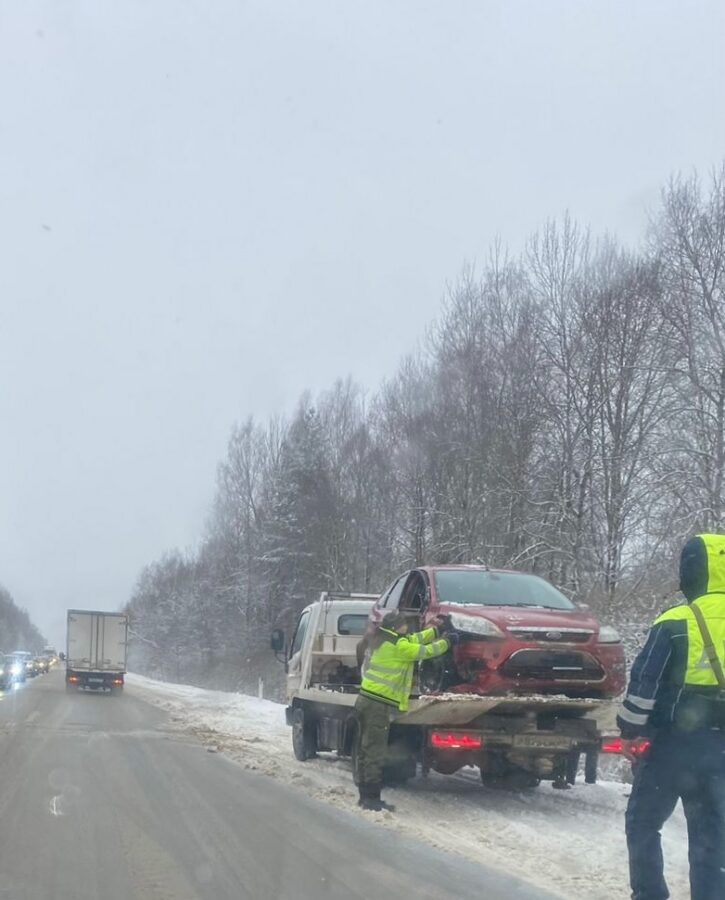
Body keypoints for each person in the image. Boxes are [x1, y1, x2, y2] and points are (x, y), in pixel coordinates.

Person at [617, 533, 725, 900]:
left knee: (643, 823)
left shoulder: (676, 620)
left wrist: (631, 731)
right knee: (711, 835)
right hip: (721, 749)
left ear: (691, 571)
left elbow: (645, 681)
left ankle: (650, 895)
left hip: (671, 746)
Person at [354, 610, 454, 811]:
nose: (406, 627)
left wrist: (436, 631)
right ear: (394, 627)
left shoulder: (386, 640)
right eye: (402, 624)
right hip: (377, 704)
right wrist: (447, 642)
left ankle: (365, 794)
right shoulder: (398, 646)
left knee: (366, 749)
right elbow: (423, 651)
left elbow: (415, 639)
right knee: (375, 751)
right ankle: (371, 798)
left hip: (367, 699)